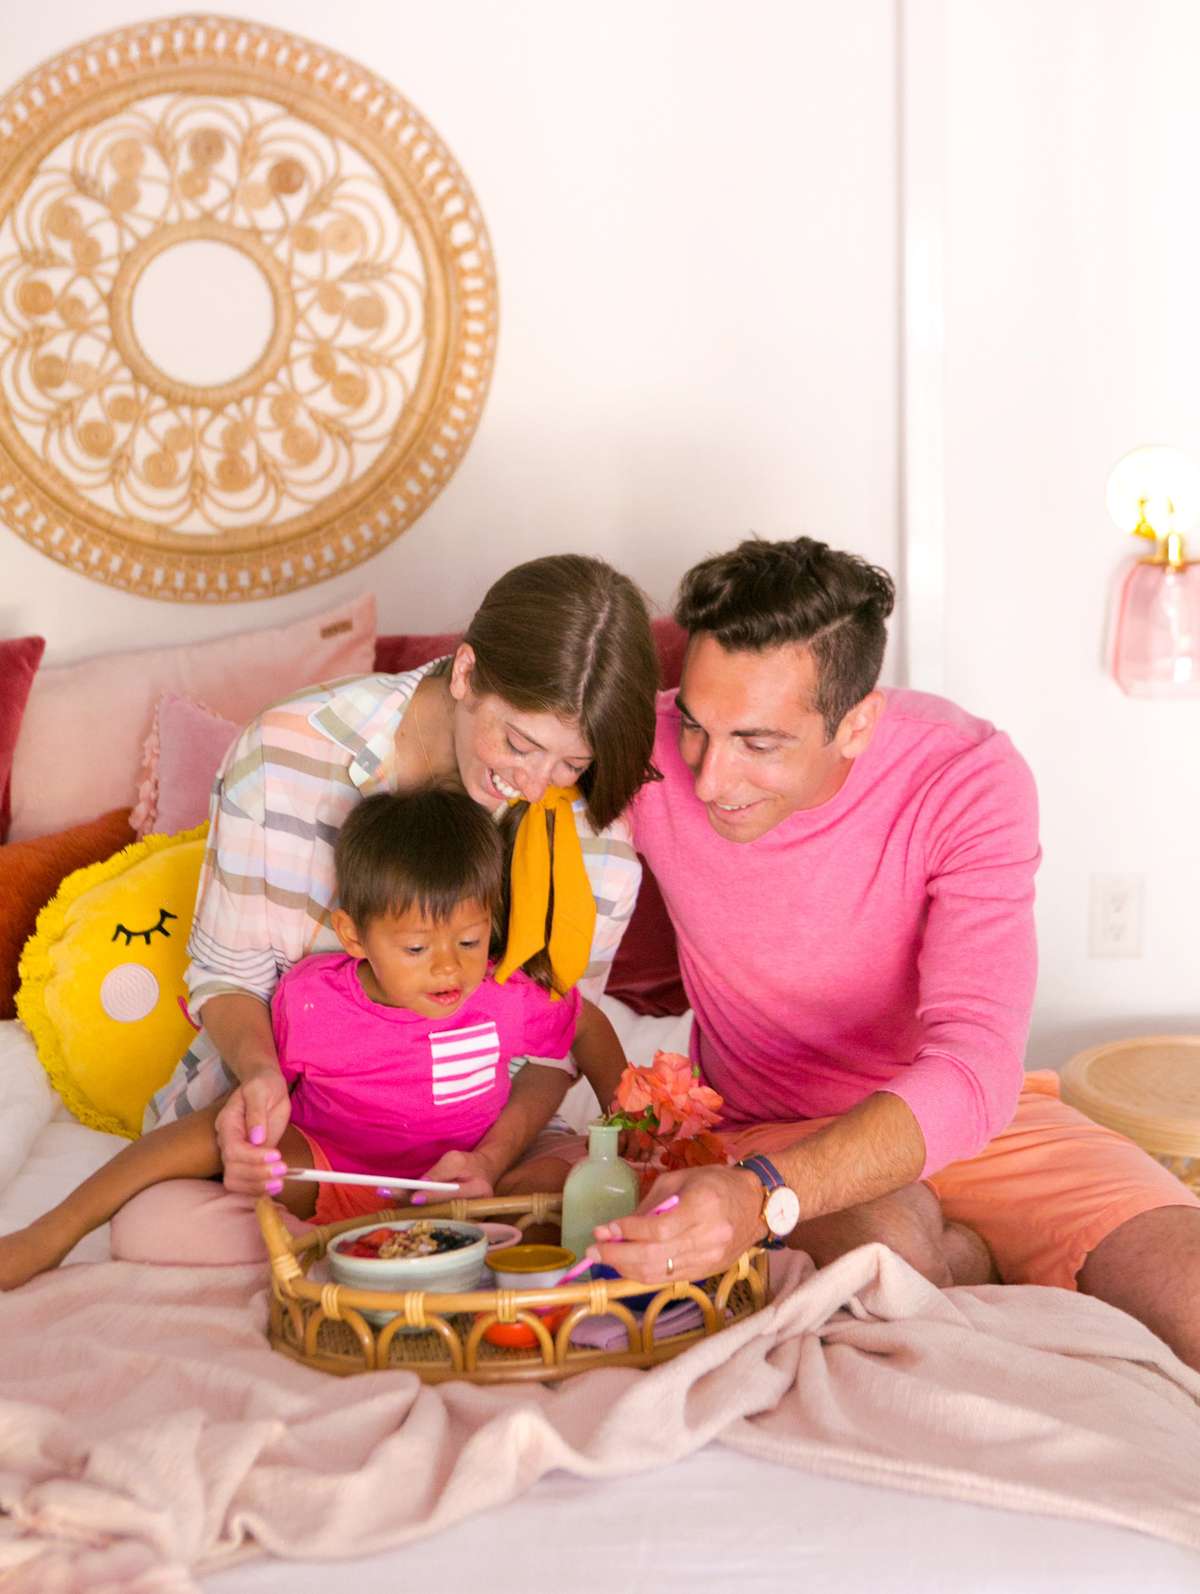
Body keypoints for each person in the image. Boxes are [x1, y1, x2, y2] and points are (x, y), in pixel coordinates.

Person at [586, 537, 1200, 1371]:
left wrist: (762, 1197)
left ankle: (967, 1254)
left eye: (759, 743)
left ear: (857, 723)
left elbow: (977, 1066)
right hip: (765, 1126)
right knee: (888, 1259)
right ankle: (955, 1257)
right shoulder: (640, 750)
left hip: (980, 1124)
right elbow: (468, 745)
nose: (709, 778)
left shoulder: (965, 776)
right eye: (697, 725)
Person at [0, 555, 657, 1287]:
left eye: (572, 763)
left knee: (592, 1204)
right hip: (315, 1132)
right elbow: (231, 976)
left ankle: (370, 1249)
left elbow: (557, 1042)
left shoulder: (590, 828)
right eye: (520, 743)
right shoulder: (285, 755)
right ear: (467, 672)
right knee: (154, 1224)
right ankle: (421, 1252)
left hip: (480, 1146)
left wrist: (497, 1160)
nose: (537, 785)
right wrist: (258, 1081)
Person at [0, 786, 627, 1275]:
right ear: (354, 935)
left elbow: (587, 1028)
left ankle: (371, 1253)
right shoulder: (313, 998)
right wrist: (249, 1143)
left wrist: (632, 1133)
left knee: (586, 1190)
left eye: (468, 940)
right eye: (415, 948)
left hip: (471, 1186)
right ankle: (53, 1231)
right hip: (335, 1173)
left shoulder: (503, 994)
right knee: (152, 1222)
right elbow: (250, 1108)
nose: (448, 967)